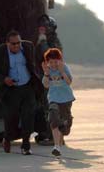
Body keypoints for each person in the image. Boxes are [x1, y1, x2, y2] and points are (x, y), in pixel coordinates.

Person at [0, 30, 42, 155]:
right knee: (11, 117)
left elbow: (33, 65)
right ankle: (7, 138)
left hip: (27, 87)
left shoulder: (28, 47)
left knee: (28, 115)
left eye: (18, 43)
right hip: (11, 89)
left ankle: (25, 145)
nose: (17, 46)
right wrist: (4, 79)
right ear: (7, 43)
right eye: (13, 44)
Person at [35, 14, 63, 145]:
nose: (43, 30)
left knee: (51, 107)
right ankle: (45, 133)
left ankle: (54, 137)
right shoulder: (47, 40)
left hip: (53, 79)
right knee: (43, 106)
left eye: (44, 28)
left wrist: (42, 41)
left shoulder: (53, 43)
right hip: (44, 77)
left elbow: (49, 56)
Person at [41, 48, 75, 157]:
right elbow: (46, 85)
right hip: (53, 99)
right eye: (51, 62)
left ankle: (66, 124)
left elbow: (69, 82)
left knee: (64, 128)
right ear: (47, 62)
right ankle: (56, 146)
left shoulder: (64, 68)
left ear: (60, 60)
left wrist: (61, 72)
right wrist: (46, 73)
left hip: (66, 99)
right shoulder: (48, 70)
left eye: (56, 61)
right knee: (54, 119)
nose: (53, 64)